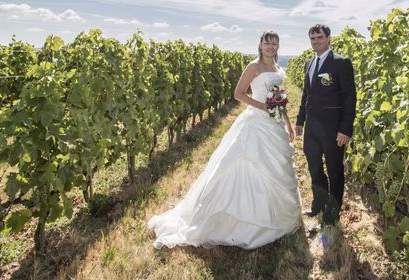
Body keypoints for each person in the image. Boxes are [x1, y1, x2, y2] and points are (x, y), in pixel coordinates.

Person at [147, 31, 301, 249]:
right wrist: (264, 107)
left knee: (277, 167)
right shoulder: (253, 67)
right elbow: (239, 94)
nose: (270, 47)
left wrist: (285, 120)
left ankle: (276, 217)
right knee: (245, 164)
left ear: (278, 46)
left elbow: (279, 98)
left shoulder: (277, 67)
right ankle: (239, 223)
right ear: (260, 45)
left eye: (274, 43)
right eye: (267, 43)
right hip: (256, 122)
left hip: (274, 124)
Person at [296, 24, 356, 226]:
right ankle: (319, 203)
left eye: (320, 37)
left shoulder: (341, 63)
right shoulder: (308, 63)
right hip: (311, 128)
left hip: (333, 130)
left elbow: (350, 98)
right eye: (312, 38)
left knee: (334, 170)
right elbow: (306, 95)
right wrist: (300, 121)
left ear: (329, 38)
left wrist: (345, 129)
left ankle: (333, 210)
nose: (316, 41)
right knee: (314, 167)